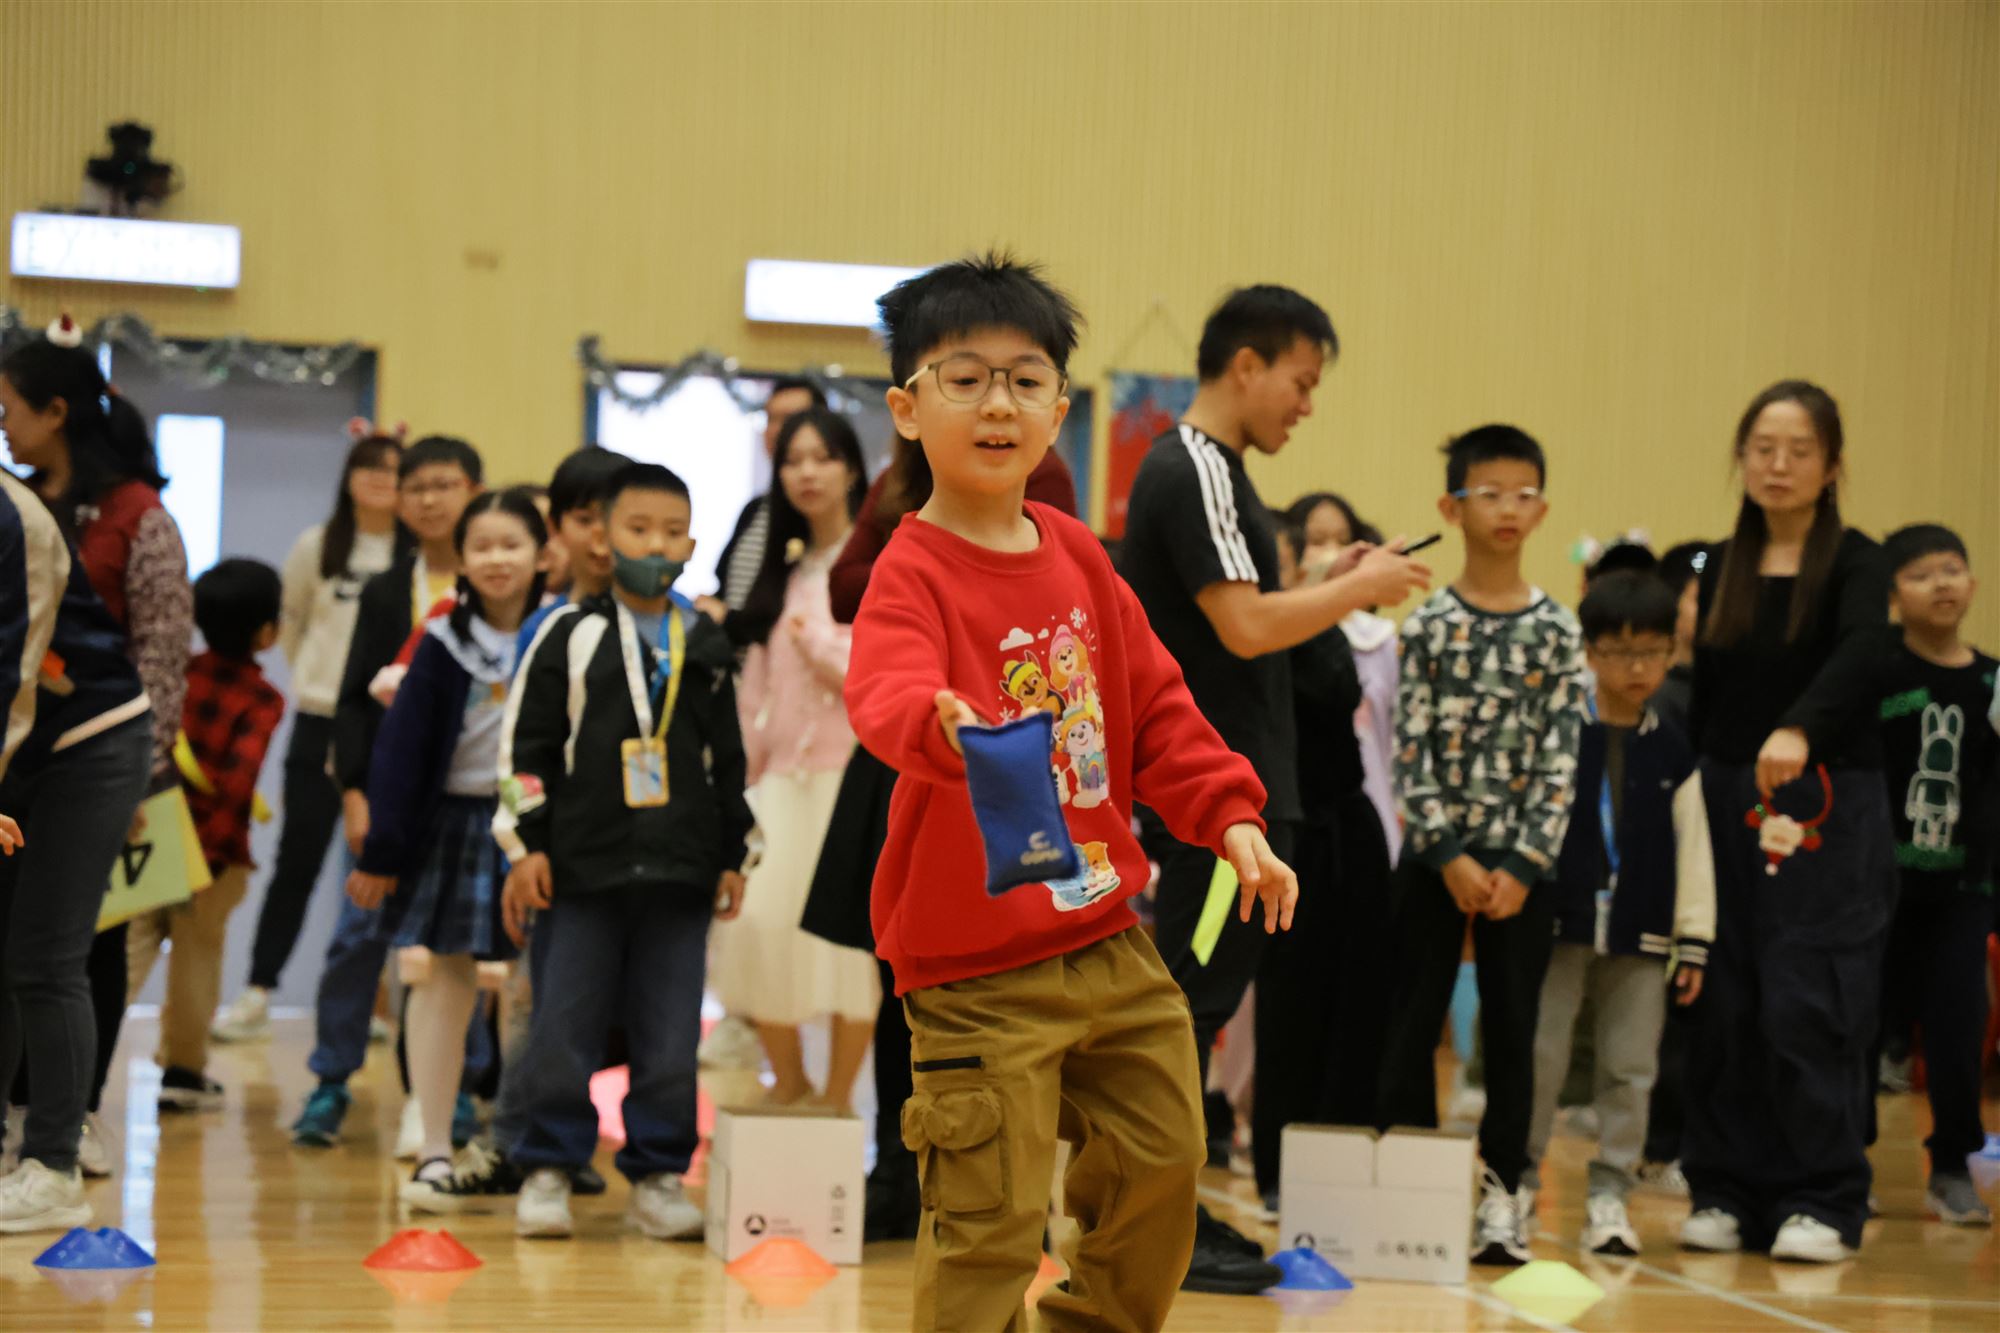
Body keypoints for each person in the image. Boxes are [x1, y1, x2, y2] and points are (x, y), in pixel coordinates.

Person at [847, 253, 1297, 1330]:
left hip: (1105, 934)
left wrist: (1231, 816)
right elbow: (885, 687)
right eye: (965, 379)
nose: (997, 404)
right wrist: (935, 721)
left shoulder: (1082, 558)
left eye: (1025, 379)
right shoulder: (911, 568)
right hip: (973, 963)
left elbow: (1159, 709)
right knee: (990, 1221)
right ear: (908, 409)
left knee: (1164, 1162)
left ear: (1059, 409)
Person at [1118, 286, 1429, 1292]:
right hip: (1217, 803)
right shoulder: (1195, 466)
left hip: (1231, 798)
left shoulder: (1213, 473)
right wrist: (1355, 590)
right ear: (1244, 366)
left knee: (1190, 1004)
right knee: (1182, 1008)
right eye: (1300, 381)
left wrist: (1329, 578)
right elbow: (1246, 628)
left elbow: (1246, 612)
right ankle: (1151, 1221)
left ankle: (1156, 1212)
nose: (1306, 404)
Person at [804, 435, 1079, 1244]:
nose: (989, 406)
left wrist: (939, 568)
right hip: (910, 742)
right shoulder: (901, 475)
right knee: (900, 978)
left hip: (1010, 749)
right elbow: (846, 588)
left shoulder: (1042, 471)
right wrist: (931, 561)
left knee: (1009, 987)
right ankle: (898, 1169)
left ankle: (1012, 1185)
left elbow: (1041, 598)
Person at [495, 463, 752, 1240]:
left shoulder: (704, 641)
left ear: (693, 544)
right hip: (581, 870)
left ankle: (659, 1175)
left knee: (670, 1036)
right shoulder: (565, 634)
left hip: (682, 871)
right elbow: (524, 751)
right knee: (563, 1024)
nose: (657, 545)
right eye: (639, 529)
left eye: (673, 532)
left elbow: (729, 760)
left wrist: (734, 853)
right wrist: (524, 845)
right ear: (603, 539)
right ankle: (547, 1165)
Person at [1680, 380, 1893, 1264]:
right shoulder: (1723, 563)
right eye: (1763, 448)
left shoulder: (1858, 562)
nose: (1778, 465)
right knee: (1726, 993)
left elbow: (1865, 653)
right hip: (1728, 797)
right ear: (1741, 458)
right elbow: (1707, 692)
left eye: (1799, 450)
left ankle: (1824, 1196)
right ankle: (1725, 1188)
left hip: (1826, 802)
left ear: (1831, 465)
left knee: (1812, 996)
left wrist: (1801, 727)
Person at [1374, 423, 1585, 1266]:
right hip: (1437, 861)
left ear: (1542, 511)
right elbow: (1409, 749)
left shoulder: (1558, 631)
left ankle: (1505, 1193)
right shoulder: (1428, 626)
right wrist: (1448, 853)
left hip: (1521, 872)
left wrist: (1524, 862)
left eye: (1523, 494)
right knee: (1411, 1021)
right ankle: (1412, 1189)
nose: (1507, 508)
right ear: (1450, 507)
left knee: (1513, 1028)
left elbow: (1562, 757)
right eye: (1488, 492)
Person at [1, 318, 192, 1180]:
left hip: (99, 744)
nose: (3, 426)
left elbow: (161, 651)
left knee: (73, 951)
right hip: (26, 750)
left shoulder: (134, 513)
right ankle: (27, 1130)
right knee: (23, 951)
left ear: (56, 410)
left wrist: (147, 776)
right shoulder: (24, 494)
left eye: (10, 408)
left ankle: (64, 1133)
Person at [345, 489, 544, 1207]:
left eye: (512, 543)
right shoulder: (441, 640)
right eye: (481, 546)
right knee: (442, 983)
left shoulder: (558, 630)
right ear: (460, 558)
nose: (497, 559)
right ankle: (434, 1145)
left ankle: (532, 1151)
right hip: (457, 823)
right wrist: (383, 852)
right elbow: (399, 754)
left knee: (538, 987)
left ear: (541, 554)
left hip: (536, 827)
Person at [292, 434, 484, 1149]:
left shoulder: (494, 582)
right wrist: (354, 792)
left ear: (473, 491)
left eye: (445, 484)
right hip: (387, 795)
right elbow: (352, 700)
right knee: (357, 938)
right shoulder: (384, 588)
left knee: (460, 947)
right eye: (416, 487)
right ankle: (331, 1079)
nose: (429, 500)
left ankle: (453, 1091)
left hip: (466, 798)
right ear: (399, 500)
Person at [1522, 571, 1715, 1256]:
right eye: (1619, 652)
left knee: (1631, 1067)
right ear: (1590, 651)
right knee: (1540, 1056)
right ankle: (1518, 1180)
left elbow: (1694, 846)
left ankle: (1610, 1191)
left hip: (1643, 930)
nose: (1637, 668)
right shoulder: (1557, 732)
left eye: (1652, 652)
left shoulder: (1673, 747)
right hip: (1557, 922)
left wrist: (1694, 938)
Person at [212, 429, 408, 1044]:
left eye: (392, 469)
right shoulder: (317, 545)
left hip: (388, 724)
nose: (379, 479)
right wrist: (320, 684)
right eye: (368, 467)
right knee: (298, 861)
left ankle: (367, 1002)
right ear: (348, 478)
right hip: (320, 719)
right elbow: (291, 623)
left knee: (373, 863)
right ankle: (257, 992)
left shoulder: (413, 555)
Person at [708, 407, 878, 1107]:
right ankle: (792, 1083)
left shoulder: (877, 564)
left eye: (821, 457)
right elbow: (756, 687)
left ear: (851, 469)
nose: (807, 473)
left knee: (848, 947)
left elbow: (877, 675)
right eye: (792, 460)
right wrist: (741, 776)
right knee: (757, 926)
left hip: (851, 776)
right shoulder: (781, 571)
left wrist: (818, 644)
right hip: (778, 779)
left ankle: (837, 1097)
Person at [0, 466, 153, 1231]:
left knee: (45, 955)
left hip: (88, 741)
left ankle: (54, 1164)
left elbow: (12, 669)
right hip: (19, 750)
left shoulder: (15, 519)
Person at [1244, 501, 1396, 1208]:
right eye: (1306, 545)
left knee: (1360, 1005)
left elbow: (1339, 691)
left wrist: (1326, 597)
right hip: (1282, 834)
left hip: (1349, 829)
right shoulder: (1247, 632)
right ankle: (1279, 1170)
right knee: (1286, 1008)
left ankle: (1346, 1164)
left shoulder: (1325, 626)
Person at [126, 559, 286, 1112]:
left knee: (125, 953)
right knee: (198, 962)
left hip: (149, 836)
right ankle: (184, 1072)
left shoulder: (178, 675)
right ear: (267, 632)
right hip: (213, 854)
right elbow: (237, 785)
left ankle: (78, 1062)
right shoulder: (262, 698)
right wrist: (214, 857)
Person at [1872, 523, 1995, 1227]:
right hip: (1881, 890)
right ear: (1893, 597)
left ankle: (1950, 1166)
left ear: (1972, 583)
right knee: (1860, 1026)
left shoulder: (1993, 682)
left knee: (1957, 1025)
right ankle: (1841, 1161)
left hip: (1962, 893)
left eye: (1951, 569)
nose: (1941, 584)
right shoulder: (1879, 675)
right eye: (1920, 575)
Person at [1633, 538, 1711, 1194]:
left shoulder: (1729, 690)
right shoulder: (1654, 697)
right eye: (1696, 593)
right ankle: (1657, 1150)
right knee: (1661, 1027)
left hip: (1726, 866)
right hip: (1658, 880)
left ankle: (1702, 1147)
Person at [1288, 493, 1403, 860]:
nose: (1332, 554)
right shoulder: (1276, 636)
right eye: (1317, 541)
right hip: (1296, 824)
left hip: (1368, 820)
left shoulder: (1381, 641)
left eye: (1343, 540)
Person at [701, 376, 828, 641]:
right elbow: (727, 589)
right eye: (770, 419)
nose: (777, 430)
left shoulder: (824, 515)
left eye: (790, 419)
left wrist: (727, 618)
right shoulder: (755, 510)